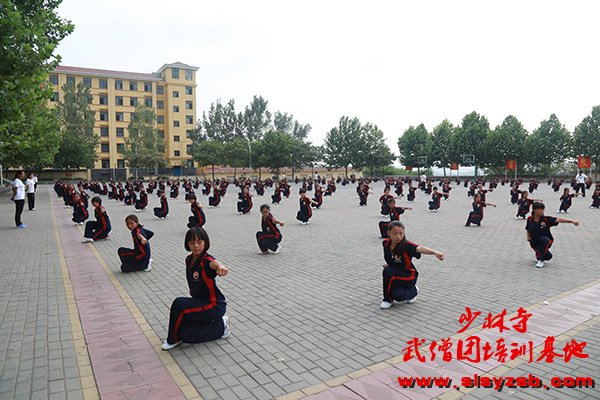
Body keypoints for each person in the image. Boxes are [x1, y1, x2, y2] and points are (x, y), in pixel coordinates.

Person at [162, 227, 230, 350]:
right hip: (200, 304)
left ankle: (222, 326)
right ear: (187, 244)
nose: (196, 246)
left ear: (205, 242)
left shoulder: (206, 260)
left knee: (179, 304)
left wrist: (221, 266)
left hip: (214, 306)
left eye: (200, 242)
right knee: (185, 334)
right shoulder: (189, 260)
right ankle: (214, 325)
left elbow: (213, 262)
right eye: (192, 243)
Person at [380, 221, 444, 309]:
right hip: (396, 275)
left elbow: (420, 248)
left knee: (387, 272)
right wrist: (390, 263)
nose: (398, 236)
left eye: (401, 233)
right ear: (388, 233)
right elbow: (391, 256)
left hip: (409, 276)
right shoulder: (386, 243)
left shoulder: (406, 245)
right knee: (397, 295)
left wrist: (435, 252)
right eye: (394, 234)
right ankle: (397, 295)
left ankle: (391, 298)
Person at [526, 202, 579, 268]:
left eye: (543, 209)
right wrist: (528, 236)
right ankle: (539, 255)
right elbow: (528, 228)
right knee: (548, 257)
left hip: (546, 240)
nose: (542, 211)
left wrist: (571, 221)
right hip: (534, 242)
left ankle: (541, 260)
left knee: (543, 240)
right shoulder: (529, 219)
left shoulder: (546, 219)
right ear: (535, 210)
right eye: (540, 209)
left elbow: (558, 219)